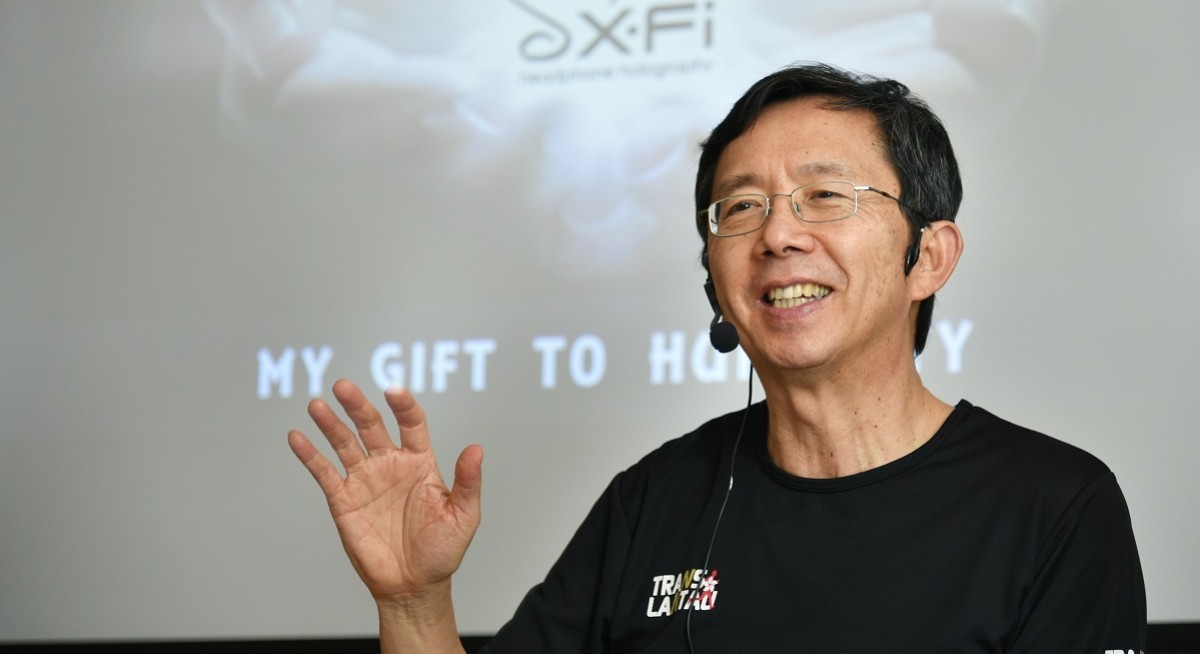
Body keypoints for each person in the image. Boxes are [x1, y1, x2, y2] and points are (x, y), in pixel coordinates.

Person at [287, 63, 1146, 653]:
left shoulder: (1054, 505)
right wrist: (413, 604)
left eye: (824, 195)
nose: (777, 235)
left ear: (929, 257)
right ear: (714, 279)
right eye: (740, 208)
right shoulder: (654, 499)